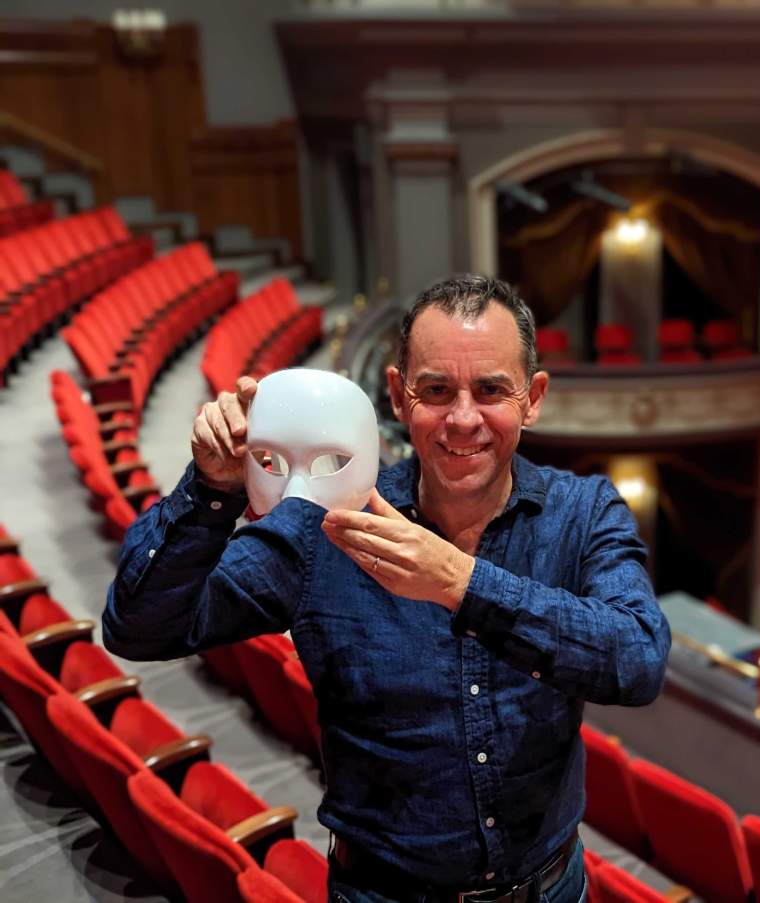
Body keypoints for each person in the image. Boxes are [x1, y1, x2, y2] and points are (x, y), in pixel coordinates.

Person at [103, 274, 671, 903]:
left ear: (531, 399)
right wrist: (211, 490)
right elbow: (140, 627)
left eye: (490, 391)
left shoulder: (583, 511)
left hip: (549, 886)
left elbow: (638, 659)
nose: (462, 419)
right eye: (435, 390)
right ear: (399, 397)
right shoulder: (324, 522)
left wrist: (461, 582)